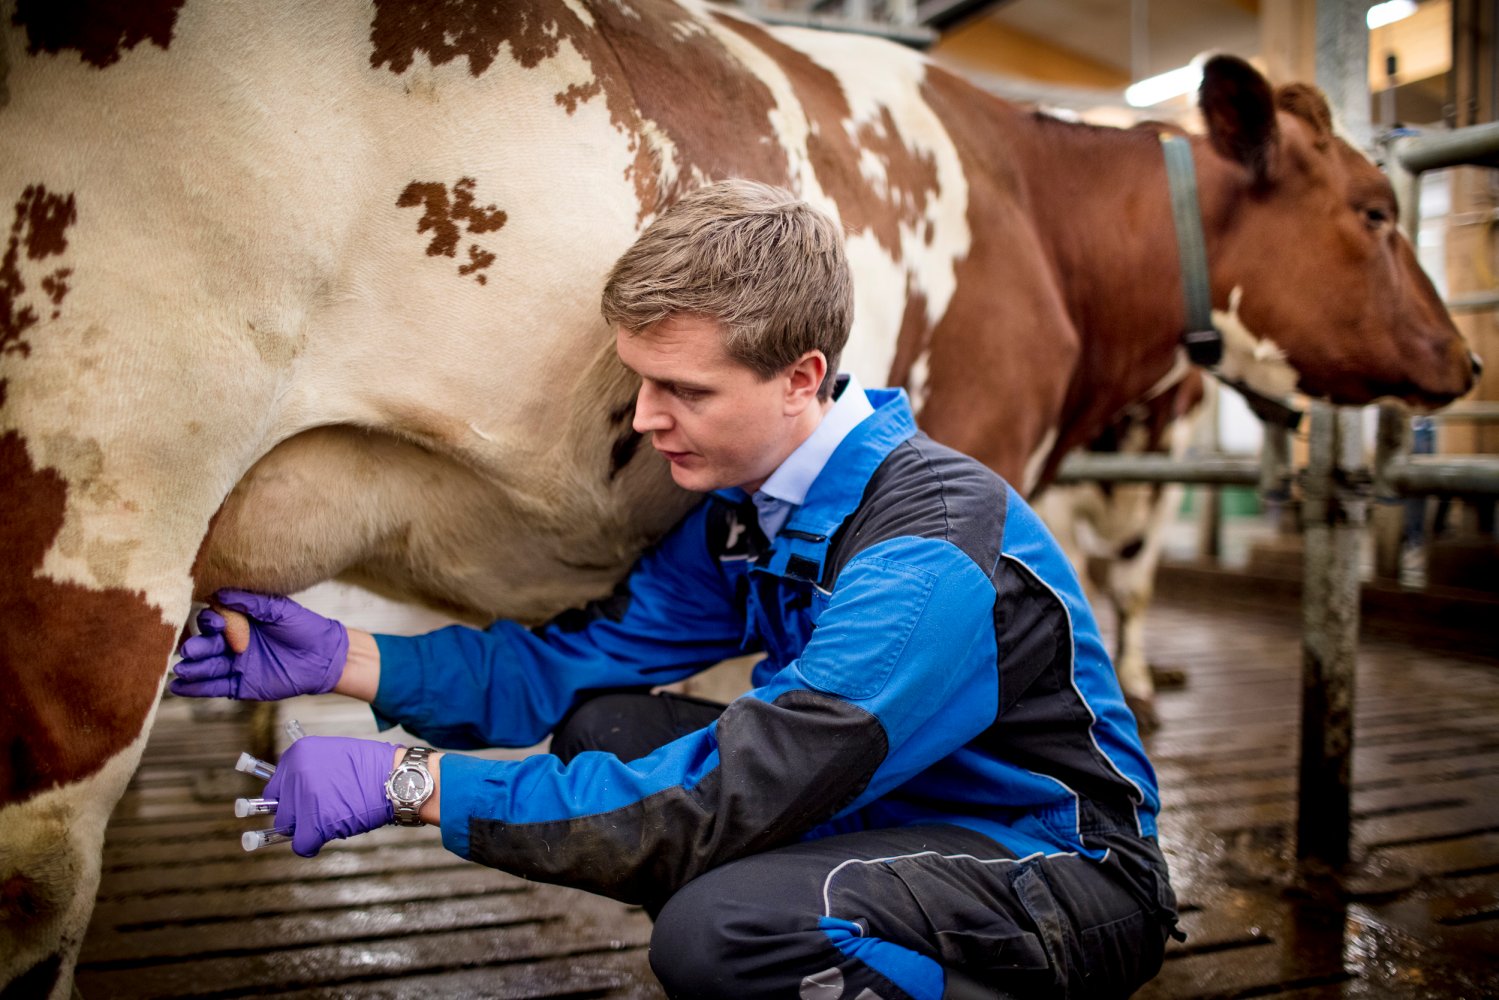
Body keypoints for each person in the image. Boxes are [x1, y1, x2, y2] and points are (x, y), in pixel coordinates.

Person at [173, 179, 1180, 998]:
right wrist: (343, 659)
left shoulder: (924, 553)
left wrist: (404, 784)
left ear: (800, 378)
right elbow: (573, 662)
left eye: (684, 391)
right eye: (637, 382)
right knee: (605, 726)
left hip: (1053, 874)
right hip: (886, 817)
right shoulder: (746, 512)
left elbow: (738, 787)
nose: (646, 419)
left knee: (720, 935)